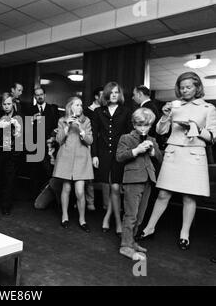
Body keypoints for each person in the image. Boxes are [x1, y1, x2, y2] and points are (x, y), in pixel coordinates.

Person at [139, 72, 216, 250]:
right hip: (174, 154)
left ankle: (184, 234)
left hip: (194, 155)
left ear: (197, 87)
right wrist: (165, 115)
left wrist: (195, 127)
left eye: (188, 87)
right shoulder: (174, 106)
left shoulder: (207, 108)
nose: (185, 90)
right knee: (163, 194)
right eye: (182, 87)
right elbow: (160, 130)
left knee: (189, 197)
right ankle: (149, 228)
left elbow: (212, 137)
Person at [116, 108, 162, 260]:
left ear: (150, 125)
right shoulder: (126, 138)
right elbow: (120, 157)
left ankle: (132, 241)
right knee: (131, 215)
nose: (143, 128)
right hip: (132, 180)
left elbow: (160, 159)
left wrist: (153, 152)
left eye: (147, 125)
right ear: (134, 125)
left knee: (140, 216)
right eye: (140, 125)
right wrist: (136, 150)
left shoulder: (153, 140)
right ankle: (125, 246)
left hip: (148, 179)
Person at [92, 82, 131, 236]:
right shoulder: (98, 112)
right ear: (106, 94)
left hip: (119, 154)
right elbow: (94, 136)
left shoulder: (126, 111)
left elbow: (128, 135)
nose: (114, 95)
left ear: (119, 94)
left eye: (117, 92)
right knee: (108, 186)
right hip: (103, 154)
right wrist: (94, 155)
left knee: (115, 187)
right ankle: (112, 219)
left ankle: (112, 219)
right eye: (111, 92)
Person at [53, 97, 93, 232]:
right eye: (77, 105)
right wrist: (67, 126)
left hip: (81, 159)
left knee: (80, 191)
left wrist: (81, 129)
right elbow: (59, 140)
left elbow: (90, 140)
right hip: (66, 157)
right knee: (66, 188)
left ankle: (82, 219)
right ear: (70, 107)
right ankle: (65, 216)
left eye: (81, 105)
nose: (80, 107)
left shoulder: (86, 121)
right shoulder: (62, 121)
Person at [0, 92, 23, 217]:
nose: (6, 106)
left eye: (9, 104)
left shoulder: (19, 117)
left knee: (9, 181)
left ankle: (6, 206)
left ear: (13, 104)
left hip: (12, 153)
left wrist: (18, 131)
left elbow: (21, 138)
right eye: (4, 104)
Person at [27, 86, 60, 201]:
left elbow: (57, 128)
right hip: (34, 146)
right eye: (37, 95)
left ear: (45, 95)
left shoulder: (53, 109)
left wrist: (52, 140)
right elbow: (25, 129)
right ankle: (34, 197)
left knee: (48, 171)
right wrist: (31, 120)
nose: (39, 96)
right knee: (34, 172)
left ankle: (48, 197)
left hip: (49, 146)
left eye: (41, 94)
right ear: (35, 97)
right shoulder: (30, 110)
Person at [83, 86, 104, 211]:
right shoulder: (87, 112)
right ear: (96, 96)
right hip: (88, 145)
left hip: (101, 146)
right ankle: (89, 201)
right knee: (87, 174)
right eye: (102, 95)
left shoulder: (105, 111)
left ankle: (102, 203)